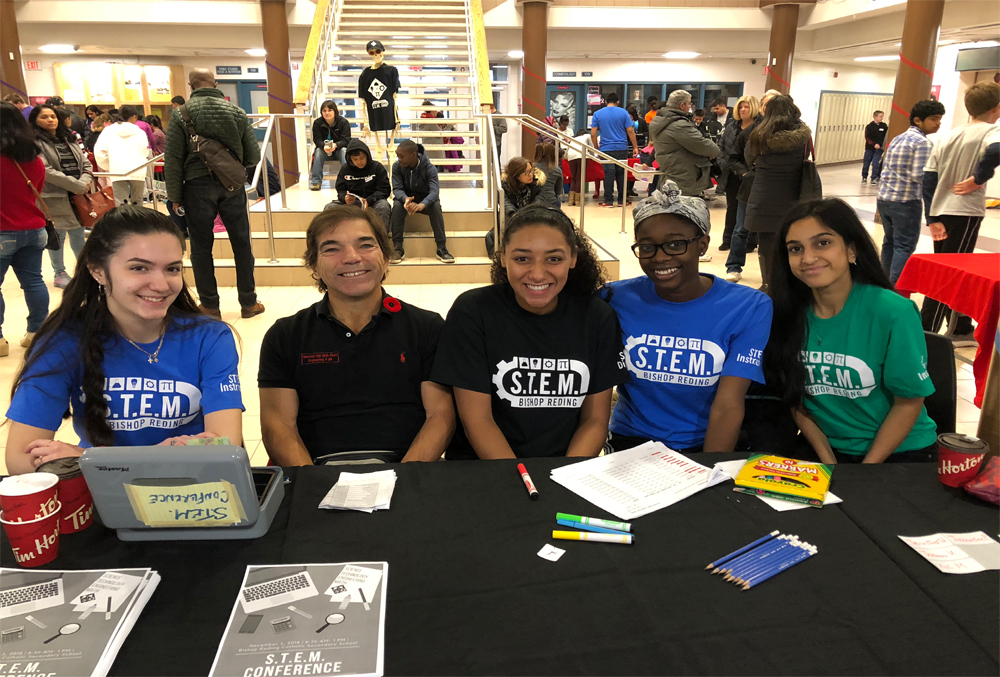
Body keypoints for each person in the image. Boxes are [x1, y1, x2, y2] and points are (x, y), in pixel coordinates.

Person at [4, 206, 245, 475]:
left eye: (172, 269)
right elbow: (19, 460)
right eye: (139, 268)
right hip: (104, 498)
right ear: (98, 271)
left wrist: (88, 457)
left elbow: (226, 449)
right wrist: (160, 456)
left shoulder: (210, 337)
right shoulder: (64, 341)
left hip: (191, 497)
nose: (161, 284)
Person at [258, 207, 456, 465]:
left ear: (385, 258)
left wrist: (403, 479)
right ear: (314, 266)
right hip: (316, 469)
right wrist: (314, 484)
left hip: (408, 468)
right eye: (331, 249)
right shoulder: (285, 335)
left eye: (365, 245)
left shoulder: (426, 327)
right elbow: (278, 425)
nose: (351, 257)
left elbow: (440, 416)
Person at [431, 206, 627, 459]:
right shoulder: (473, 312)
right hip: (487, 469)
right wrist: (520, 480)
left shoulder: (597, 317)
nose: (537, 273)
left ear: (573, 258)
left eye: (554, 259)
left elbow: (595, 421)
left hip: (565, 469)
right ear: (502, 257)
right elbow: (478, 421)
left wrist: (565, 479)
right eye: (522, 258)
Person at [764, 198, 938, 464]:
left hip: (898, 451)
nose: (808, 258)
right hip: (824, 449)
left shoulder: (893, 312)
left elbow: (909, 402)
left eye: (823, 243)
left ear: (852, 250)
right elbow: (794, 400)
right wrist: (829, 461)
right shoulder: (785, 313)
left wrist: (864, 472)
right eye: (795, 248)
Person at [604, 181, 772, 453]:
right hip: (631, 442)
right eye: (647, 247)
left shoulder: (748, 307)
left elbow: (728, 405)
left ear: (703, 245)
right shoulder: (615, 298)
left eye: (675, 244)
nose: (660, 258)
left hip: (702, 444)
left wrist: (709, 472)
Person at [164, 69, 264, 319]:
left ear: (191, 85)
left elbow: (173, 160)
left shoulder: (181, 114)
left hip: (196, 187)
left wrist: (175, 196)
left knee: (200, 247)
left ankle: (210, 305)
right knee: (241, 243)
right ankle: (249, 303)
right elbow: (253, 156)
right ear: (215, 83)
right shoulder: (237, 112)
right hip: (232, 185)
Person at [921, 82, 1000, 342]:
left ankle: (961, 325)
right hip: (964, 211)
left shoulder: (949, 134)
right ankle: (928, 332)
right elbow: (997, 150)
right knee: (951, 275)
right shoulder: (992, 130)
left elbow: (929, 178)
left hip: (941, 211)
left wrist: (932, 218)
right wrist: (979, 178)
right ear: (997, 108)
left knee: (949, 270)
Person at [743, 94, 812, 291]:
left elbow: (749, 160)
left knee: (766, 243)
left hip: (763, 195)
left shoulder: (758, 134)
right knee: (792, 241)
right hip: (793, 195)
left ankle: (768, 282)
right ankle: (792, 284)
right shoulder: (803, 136)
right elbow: (805, 158)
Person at [875, 99, 945, 283]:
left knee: (889, 242)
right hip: (905, 202)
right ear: (917, 120)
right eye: (934, 118)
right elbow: (919, 176)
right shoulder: (922, 143)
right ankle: (898, 290)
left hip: (885, 199)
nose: (938, 123)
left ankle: (884, 285)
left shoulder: (898, 138)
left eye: (940, 118)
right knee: (904, 246)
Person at [1, 102, 50, 358]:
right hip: (34, 228)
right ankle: (37, 333)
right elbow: (36, 192)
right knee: (33, 281)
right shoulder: (33, 159)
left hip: (2, 231)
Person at [29, 103, 92, 290]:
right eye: (44, 117)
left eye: (53, 116)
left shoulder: (69, 138)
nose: (50, 120)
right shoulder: (35, 142)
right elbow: (46, 170)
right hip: (53, 196)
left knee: (78, 233)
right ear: (35, 121)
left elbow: (86, 163)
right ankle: (59, 272)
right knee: (57, 236)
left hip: (77, 195)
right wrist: (77, 185)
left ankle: (85, 270)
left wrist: (84, 182)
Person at [389, 140, 454, 264]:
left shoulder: (430, 168)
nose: (399, 159)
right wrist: (405, 199)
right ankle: (397, 247)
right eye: (398, 156)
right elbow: (397, 188)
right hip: (406, 200)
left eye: (402, 156)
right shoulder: (397, 167)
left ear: (413, 154)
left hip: (425, 201)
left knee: (435, 206)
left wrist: (422, 204)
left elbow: (434, 192)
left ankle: (441, 248)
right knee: (397, 205)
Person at [649, 89, 719, 201]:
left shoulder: (661, 121)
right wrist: (714, 149)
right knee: (685, 214)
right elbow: (706, 147)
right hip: (684, 179)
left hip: (672, 173)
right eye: (690, 103)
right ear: (682, 105)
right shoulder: (679, 125)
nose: (690, 106)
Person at [717, 95, 757, 254]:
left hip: (751, 175)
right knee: (732, 207)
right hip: (732, 172)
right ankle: (728, 239)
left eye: (746, 107)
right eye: (740, 107)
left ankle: (750, 241)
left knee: (750, 209)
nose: (743, 110)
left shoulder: (760, 127)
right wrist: (723, 163)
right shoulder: (732, 126)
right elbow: (721, 147)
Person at [331, 138, 392, 229]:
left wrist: (369, 200)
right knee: (330, 207)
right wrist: (344, 198)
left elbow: (384, 190)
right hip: (352, 203)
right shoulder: (345, 169)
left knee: (384, 206)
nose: (359, 162)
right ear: (350, 159)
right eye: (355, 159)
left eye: (362, 158)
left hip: (373, 202)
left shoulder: (377, 167)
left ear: (367, 155)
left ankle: (381, 239)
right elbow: (341, 189)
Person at [591, 93, 638, 207]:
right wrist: (635, 146)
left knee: (609, 174)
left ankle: (608, 201)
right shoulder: (624, 113)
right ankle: (623, 201)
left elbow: (593, 134)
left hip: (605, 149)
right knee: (621, 174)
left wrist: (597, 149)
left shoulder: (597, 114)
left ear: (606, 102)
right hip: (621, 148)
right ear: (617, 102)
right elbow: (630, 130)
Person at [94, 112, 150, 206]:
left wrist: (109, 165)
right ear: (133, 117)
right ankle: (138, 220)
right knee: (137, 202)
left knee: (120, 203)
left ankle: (123, 220)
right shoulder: (140, 132)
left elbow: (99, 152)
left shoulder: (108, 131)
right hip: (138, 170)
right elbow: (146, 150)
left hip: (117, 171)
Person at [309, 99, 351, 191]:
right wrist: (324, 147)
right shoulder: (317, 123)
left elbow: (346, 140)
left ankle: (348, 180)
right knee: (318, 151)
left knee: (344, 150)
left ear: (335, 111)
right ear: (321, 112)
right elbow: (317, 139)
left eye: (329, 110)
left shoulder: (343, 122)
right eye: (324, 111)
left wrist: (335, 145)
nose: (327, 113)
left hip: (339, 150)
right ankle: (316, 181)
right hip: (324, 150)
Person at [565, 127, 596, 207]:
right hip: (581, 155)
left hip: (571, 156)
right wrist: (594, 156)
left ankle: (571, 201)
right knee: (579, 178)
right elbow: (591, 148)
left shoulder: (573, 138)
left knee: (574, 177)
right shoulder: (587, 136)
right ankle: (578, 201)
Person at [533, 142, 563, 209]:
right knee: (558, 197)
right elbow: (558, 191)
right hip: (551, 201)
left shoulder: (531, 168)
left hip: (534, 201)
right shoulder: (557, 170)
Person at [862, 110, 888, 184]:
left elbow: (885, 136)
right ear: (875, 117)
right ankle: (864, 177)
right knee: (866, 162)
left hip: (879, 149)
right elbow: (867, 137)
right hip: (870, 148)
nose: (882, 118)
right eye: (880, 116)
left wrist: (883, 146)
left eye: (882, 116)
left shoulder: (884, 126)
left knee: (876, 163)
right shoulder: (869, 126)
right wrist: (874, 144)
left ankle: (874, 178)